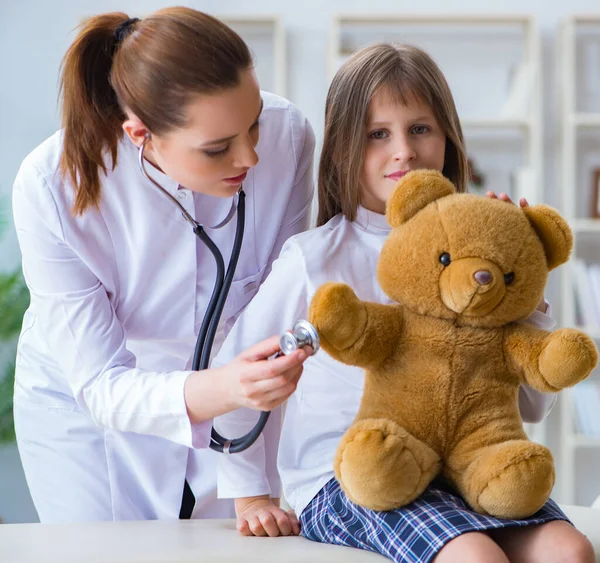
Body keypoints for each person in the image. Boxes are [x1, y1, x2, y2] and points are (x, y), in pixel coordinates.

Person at [213, 44, 595, 562]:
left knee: (570, 551)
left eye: (420, 129)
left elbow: (529, 408)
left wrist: (518, 282)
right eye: (378, 134)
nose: (404, 151)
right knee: (475, 556)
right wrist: (251, 494)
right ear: (345, 146)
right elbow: (236, 370)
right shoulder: (315, 258)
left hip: (462, 465)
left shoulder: (478, 256)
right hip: (353, 473)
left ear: (447, 139)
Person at [11, 7, 315, 523]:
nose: (250, 158)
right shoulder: (51, 187)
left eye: (254, 123)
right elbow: (102, 384)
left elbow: (279, 295)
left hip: (232, 392)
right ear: (140, 135)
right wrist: (227, 386)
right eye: (217, 148)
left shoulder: (289, 139)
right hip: (89, 416)